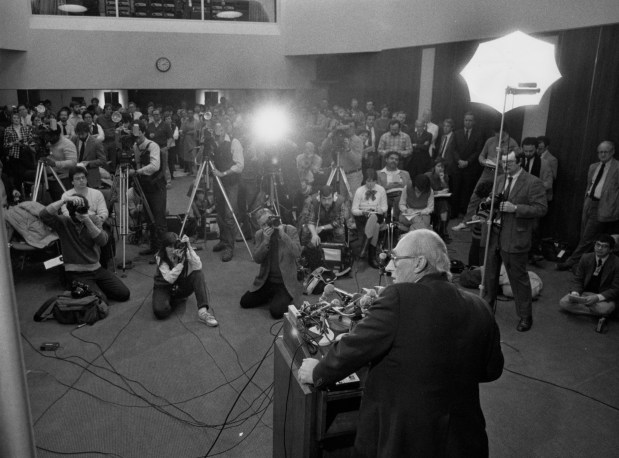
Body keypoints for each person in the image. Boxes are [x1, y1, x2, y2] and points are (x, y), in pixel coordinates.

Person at [298, 229, 504, 458]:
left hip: (406, 442)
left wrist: (317, 371)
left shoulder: (399, 297)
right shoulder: (480, 307)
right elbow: (491, 371)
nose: (389, 267)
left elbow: (352, 349)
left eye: (396, 260)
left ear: (419, 263)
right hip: (464, 442)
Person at [482, 151, 547, 332]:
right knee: (490, 274)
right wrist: (490, 201)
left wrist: (516, 208)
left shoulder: (533, 182)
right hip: (495, 233)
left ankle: (525, 316)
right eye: (503, 162)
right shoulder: (501, 179)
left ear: (520, 162)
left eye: (509, 162)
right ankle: (487, 307)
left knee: (518, 278)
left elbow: (541, 209)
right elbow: (494, 198)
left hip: (515, 236)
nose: (505, 166)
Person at [38, 194, 130, 303]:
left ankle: (89, 289)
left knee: (124, 294)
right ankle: (82, 288)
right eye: (78, 210)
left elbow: (103, 241)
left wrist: (87, 221)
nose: (81, 212)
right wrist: (64, 200)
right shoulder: (63, 222)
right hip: (76, 272)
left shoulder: (93, 219)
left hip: (96, 269)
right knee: (101, 300)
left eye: (84, 209)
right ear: (70, 211)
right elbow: (43, 215)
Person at [557, 141, 619, 271]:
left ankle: (571, 261)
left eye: (605, 152)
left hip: (603, 205)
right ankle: (581, 264)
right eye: (600, 152)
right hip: (589, 202)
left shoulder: (617, 167)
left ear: (612, 152)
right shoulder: (593, 166)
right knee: (585, 234)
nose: (602, 154)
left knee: (587, 237)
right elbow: (589, 185)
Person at [452, 126, 518, 231]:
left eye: (499, 133)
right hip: (487, 172)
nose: (497, 135)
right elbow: (481, 155)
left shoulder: (512, 143)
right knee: (475, 196)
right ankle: (466, 222)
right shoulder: (490, 140)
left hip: (501, 174)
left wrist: (501, 158)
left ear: (505, 131)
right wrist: (483, 161)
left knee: (496, 199)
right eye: (496, 133)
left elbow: (513, 163)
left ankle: (491, 226)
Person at [240, 208, 302, 319]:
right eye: (263, 224)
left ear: (274, 218)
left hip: (284, 283)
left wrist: (284, 236)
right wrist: (265, 241)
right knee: (244, 302)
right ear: (260, 226)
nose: (267, 226)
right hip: (266, 281)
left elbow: (297, 253)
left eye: (269, 221)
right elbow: (257, 259)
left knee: (276, 312)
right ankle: (272, 296)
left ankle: (279, 296)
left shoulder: (290, 230)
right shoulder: (260, 234)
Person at [151, 232, 218, 325]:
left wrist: (189, 247)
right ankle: (169, 300)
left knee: (198, 274)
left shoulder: (182, 250)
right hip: (163, 287)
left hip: (179, 286)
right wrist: (181, 263)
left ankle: (203, 312)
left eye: (174, 246)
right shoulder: (160, 256)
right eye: (169, 247)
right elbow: (170, 278)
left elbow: (198, 266)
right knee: (161, 312)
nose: (173, 249)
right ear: (164, 247)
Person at [559, 234, 619, 333]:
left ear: (611, 250)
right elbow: (578, 280)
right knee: (563, 302)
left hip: (604, 297)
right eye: (598, 245)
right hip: (586, 294)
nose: (599, 248)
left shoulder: (617, 263)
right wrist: (575, 293)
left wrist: (597, 298)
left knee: (604, 308)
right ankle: (601, 315)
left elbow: (616, 289)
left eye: (604, 246)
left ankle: (601, 312)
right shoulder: (586, 257)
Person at [129, 120, 167, 257]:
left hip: (157, 186)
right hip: (145, 185)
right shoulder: (135, 146)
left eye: (138, 134)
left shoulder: (153, 146)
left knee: (158, 219)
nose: (136, 138)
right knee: (148, 218)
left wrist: (138, 172)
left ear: (143, 132)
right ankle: (153, 247)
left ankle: (162, 252)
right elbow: (138, 163)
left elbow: (155, 166)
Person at [210, 121, 244, 262]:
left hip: (230, 182)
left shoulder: (234, 143)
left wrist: (223, 173)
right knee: (219, 213)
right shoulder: (212, 142)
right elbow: (201, 160)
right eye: (216, 128)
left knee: (229, 214)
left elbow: (240, 165)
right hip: (218, 183)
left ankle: (230, 247)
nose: (218, 130)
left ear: (226, 129)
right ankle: (223, 240)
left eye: (221, 127)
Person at [351, 169, 387, 267]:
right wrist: (363, 211)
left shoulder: (381, 190)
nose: (370, 184)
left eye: (372, 181)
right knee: (375, 226)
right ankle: (372, 258)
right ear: (364, 180)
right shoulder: (360, 190)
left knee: (374, 216)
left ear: (376, 181)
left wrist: (380, 209)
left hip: (377, 214)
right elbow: (354, 210)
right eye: (368, 181)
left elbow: (385, 207)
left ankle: (364, 248)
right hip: (363, 216)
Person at [452, 112, 484, 217]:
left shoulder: (478, 134)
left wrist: (467, 162)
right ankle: (454, 212)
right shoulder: (457, 133)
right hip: (458, 166)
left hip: (471, 167)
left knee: (467, 190)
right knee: (455, 189)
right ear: (463, 121)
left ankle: (464, 212)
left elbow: (478, 151)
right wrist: (459, 161)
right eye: (466, 120)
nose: (468, 122)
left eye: (470, 120)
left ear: (473, 122)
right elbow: (453, 149)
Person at [3, 111, 35, 196]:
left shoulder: (25, 128)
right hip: (15, 154)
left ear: (20, 119)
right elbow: (5, 144)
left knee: (28, 172)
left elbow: (31, 140)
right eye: (14, 118)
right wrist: (14, 142)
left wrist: (27, 143)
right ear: (11, 120)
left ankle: (29, 192)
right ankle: (18, 194)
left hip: (25, 152)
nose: (16, 119)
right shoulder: (8, 129)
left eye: (17, 118)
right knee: (17, 175)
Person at [377, 151, 412, 222]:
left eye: (396, 159)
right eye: (392, 158)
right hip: (387, 197)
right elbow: (377, 191)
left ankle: (398, 221)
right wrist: (388, 186)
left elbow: (410, 188)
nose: (394, 161)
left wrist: (401, 185)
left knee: (400, 198)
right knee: (397, 199)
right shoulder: (379, 173)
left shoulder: (405, 173)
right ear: (386, 160)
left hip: (403, 196)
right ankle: (397, 220)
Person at [73, 121, 106, 189]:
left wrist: (88, 163)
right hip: (76, 174)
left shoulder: (96, 143)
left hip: (91, 177)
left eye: (82, 134)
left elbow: (102, 160)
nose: (80, 136)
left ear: (87, 131)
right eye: (79, 134)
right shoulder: (75, 139)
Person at [426, 158, 451, 241]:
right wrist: (439, 192)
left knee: (444, 204)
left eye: (443, 167)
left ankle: (442, 229)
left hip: (439, 200)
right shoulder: (428, 176)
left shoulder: (445, 176)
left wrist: (442, 180)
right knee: (443, 205)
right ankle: (443, 231)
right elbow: (426, 191)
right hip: (428, 200)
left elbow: (446, 190)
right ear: (434, 167)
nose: (441, 169)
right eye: (439, 166)